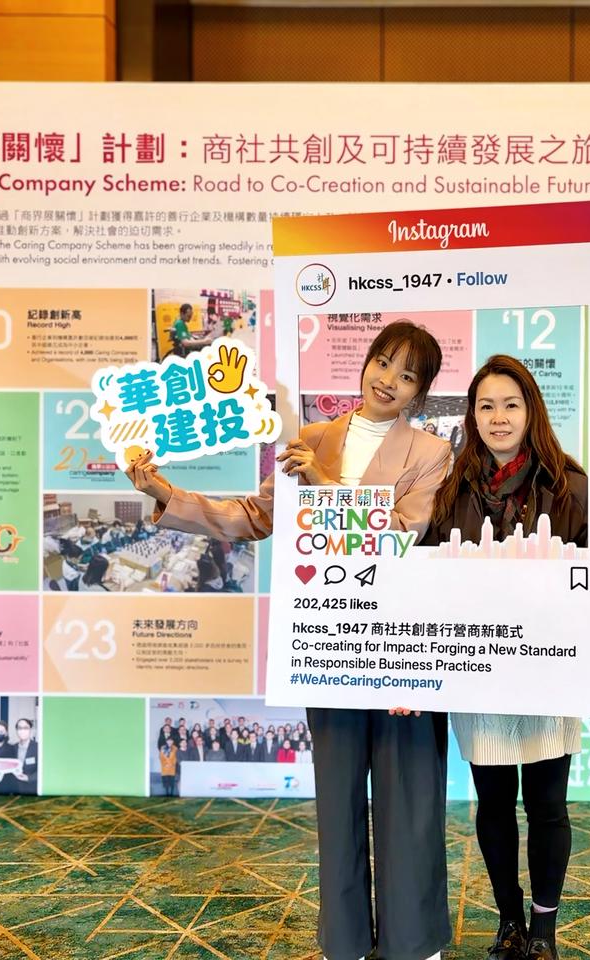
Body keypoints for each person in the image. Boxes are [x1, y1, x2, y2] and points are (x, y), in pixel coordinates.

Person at [126, 320, 454, 960]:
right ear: (365, 364)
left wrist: (326, 488)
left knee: (409, 796)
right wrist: (165, 493)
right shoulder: (313, 438)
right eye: (382, 363)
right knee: (336, 798)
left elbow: (405, 533)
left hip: (404, 643)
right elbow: (254, 517)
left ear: (420, 393)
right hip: (327, 640)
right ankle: (344, 941)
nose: (388, 380)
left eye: (407, 375)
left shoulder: (431, 453)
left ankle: (414, 943)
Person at [418, 355, 590, 960]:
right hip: (479, 667)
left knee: (547, 805)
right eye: (486, 406)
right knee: (492, 804)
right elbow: (424, 574)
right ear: (472, 416)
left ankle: (543, 929)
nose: (499, 417)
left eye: (511, 404)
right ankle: (509, 920)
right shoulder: (450, 487)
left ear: (531, 410)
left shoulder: (572, 485)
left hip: (549, 670)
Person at [2, 718, 38, 795]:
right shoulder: (12, 748)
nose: (22, 731)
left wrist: (29, 778)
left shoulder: (37, 748)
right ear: (17, 731)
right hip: (15, 790)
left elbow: (43, 770)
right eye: (20, 728)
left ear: (30, 730)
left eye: (25, 728)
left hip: (32, 790)